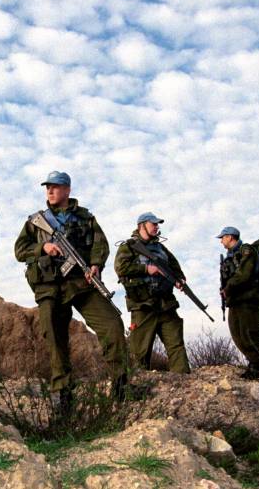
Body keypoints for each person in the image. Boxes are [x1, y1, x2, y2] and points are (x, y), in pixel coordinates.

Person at [14, 171, 129, 408]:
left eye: (55, 187)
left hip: (81, 284)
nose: (50, 191)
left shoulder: (85, 218)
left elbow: (101, 244)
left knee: (112, 325)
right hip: (50, 288)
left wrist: (96, 265)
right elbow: (19, 251)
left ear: (67, 190)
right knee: (55, 337)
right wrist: (43, 247)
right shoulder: (36, 222)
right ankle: (62, 394)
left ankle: (121, 385)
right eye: (48, 187)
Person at [115, 212, 190, 373]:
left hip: (166, 304)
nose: (157, 227)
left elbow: (174, 266)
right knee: (139, 352)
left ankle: (184, 382)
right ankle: (139, 389)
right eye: (153, 224)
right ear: (142, 225)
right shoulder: (128, 246)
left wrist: (180, 279)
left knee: (176, 346)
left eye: (157, 224)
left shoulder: (161, 248)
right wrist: (146, 268)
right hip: (143, 305)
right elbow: (120, 268)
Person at [218, 226, 259, 380]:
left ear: (230, 237)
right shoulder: (230, 256)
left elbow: (244, 273)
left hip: (248, 300)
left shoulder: (246, 250)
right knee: (237, 335)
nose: (221, 241)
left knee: (249, 335)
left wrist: (228, 287)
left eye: (223, 238)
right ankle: (256, 365)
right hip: (235, 301)